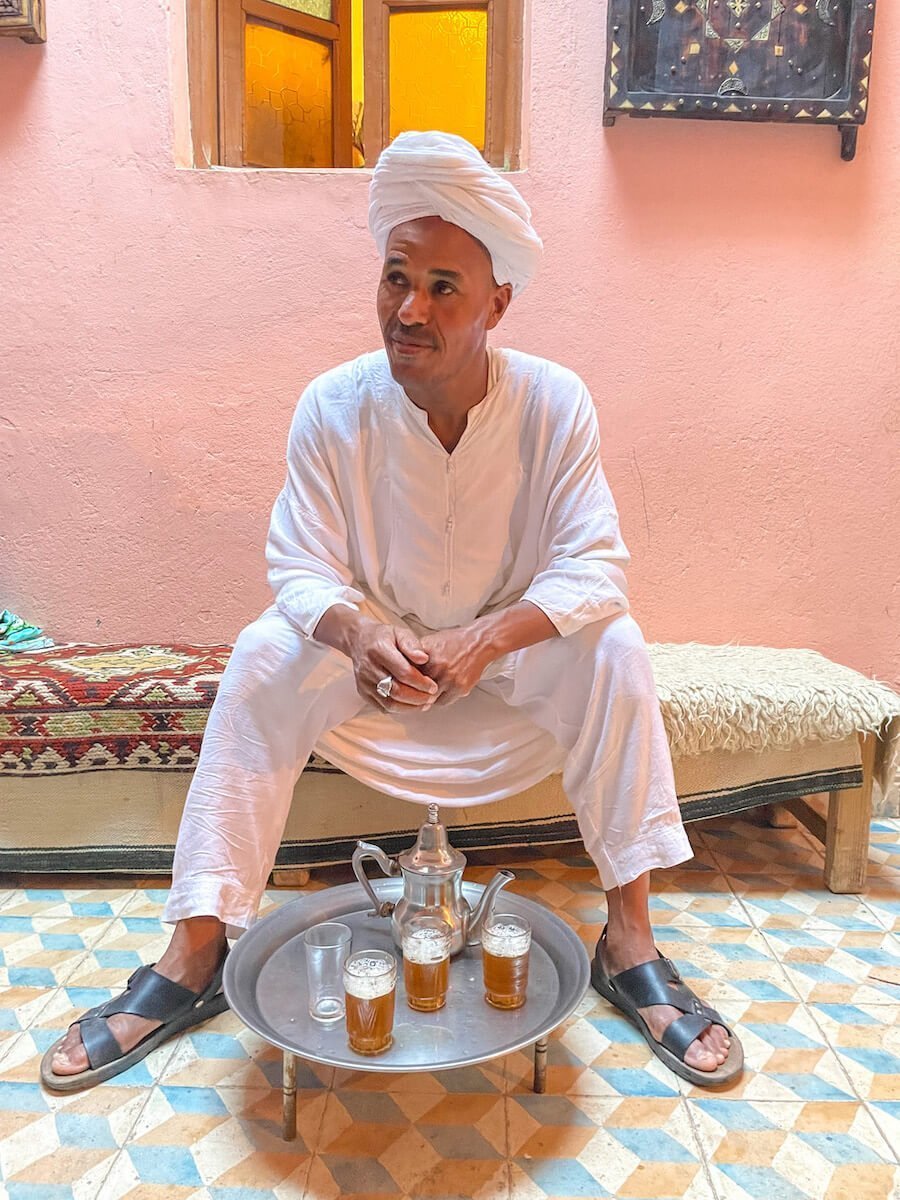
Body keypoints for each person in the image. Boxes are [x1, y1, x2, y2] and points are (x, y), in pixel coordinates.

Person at [41, 131, 743, 1093]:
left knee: (613, 648)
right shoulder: (332, 406)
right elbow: (298, 564)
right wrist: (363, 634)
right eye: (394, 278)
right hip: (370, 675)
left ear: (500, 301)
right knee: (260, 653)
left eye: (444, 287)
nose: (409, 310)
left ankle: (628, 943)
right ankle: (194, 952)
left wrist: (483, 638)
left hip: (505, 672)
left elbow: (596, 565)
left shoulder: (554, 403)